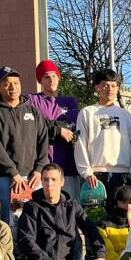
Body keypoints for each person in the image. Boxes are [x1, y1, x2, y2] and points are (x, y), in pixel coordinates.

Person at [0, 65, 49, 224]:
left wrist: (39, 170)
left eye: (16, 83)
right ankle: (10, 249)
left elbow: (43, 139)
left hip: (33, 177)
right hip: (6, 178)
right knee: (9, 221)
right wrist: (14, 174)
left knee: (36, 221)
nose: (12, 87)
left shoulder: (33, 111)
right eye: (6, 83)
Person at [74, 68, 131, 197]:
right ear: (97, 87)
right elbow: (80, 144)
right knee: (96, 217)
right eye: (105, 85)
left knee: (121, 217)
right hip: (95, 176)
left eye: (113, 85)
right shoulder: (87, 113)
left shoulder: (126, 115)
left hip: (123, 175)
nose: (109, 89)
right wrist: (86, 172)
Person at [24, 59, 82, 201]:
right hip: (41, 168)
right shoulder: (31, 100)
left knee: (67, 210)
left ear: (59, 77)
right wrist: (58, 130)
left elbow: (72, 125)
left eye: (54, 75)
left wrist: (45, 125)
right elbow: (31, 125)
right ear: (40, 80)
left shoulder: (70, 101)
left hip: (67, 167)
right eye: (46, 77)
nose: (51, 80)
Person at [97, 184, 131, 260]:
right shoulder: (103, 227)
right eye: (123, 202)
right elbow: (110, 257)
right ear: (115, 203)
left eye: (130, 203)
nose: (128, 207)